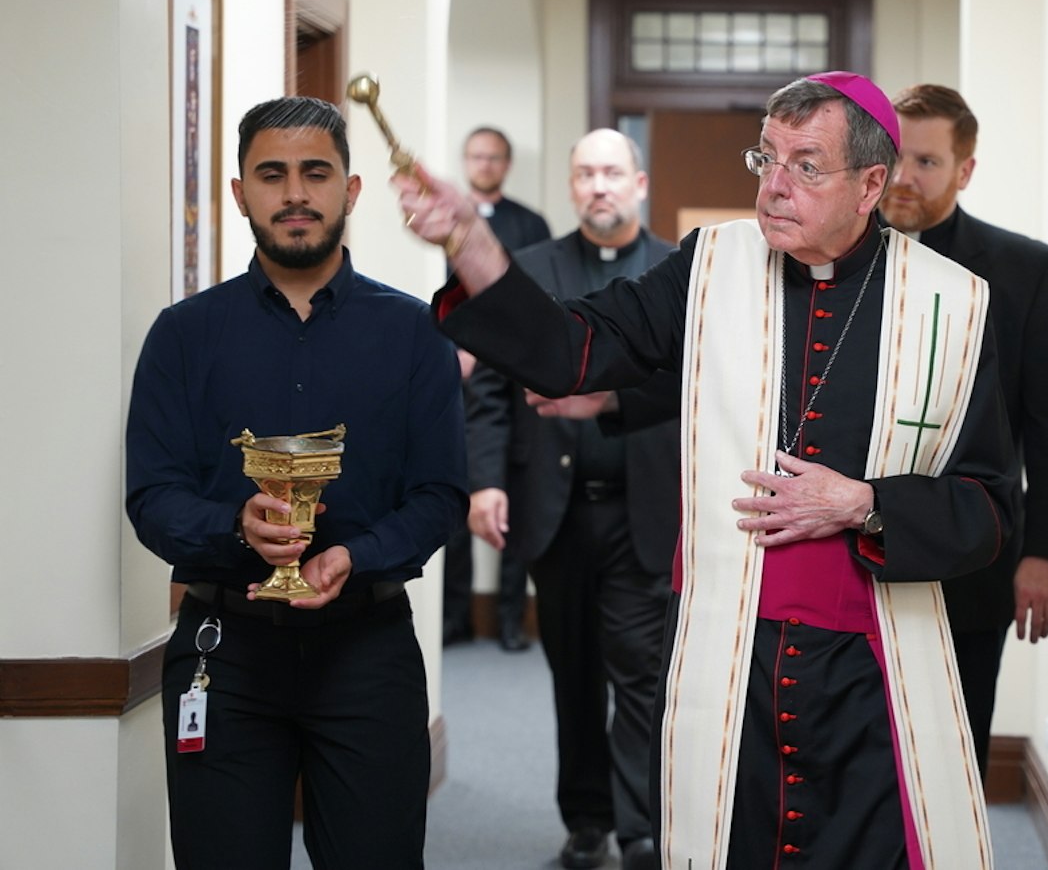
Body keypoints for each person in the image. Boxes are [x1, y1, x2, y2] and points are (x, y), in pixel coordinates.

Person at [396, 71, 1019, 869]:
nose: (775, 187)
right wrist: (471, 246)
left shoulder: (951, 305)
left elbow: (989, 508)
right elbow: (573, 348)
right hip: (734, 659)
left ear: (871, 184)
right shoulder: (712, 264)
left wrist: (865, 502)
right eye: (766, 160)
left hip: (875, 674)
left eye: (805, 165)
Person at [125, 96, 468, 870]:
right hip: (225, 652)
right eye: (272, 175)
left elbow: (441, 494)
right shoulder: (183, 336)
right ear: (240, 192)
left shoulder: (415, 332)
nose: (295, 194)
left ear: (350, 191)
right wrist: (233, 528)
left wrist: (359, 555)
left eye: (316, 173)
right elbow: (152, 496)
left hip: (367, 650)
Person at [465, 128, 679, 870]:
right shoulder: (528, 270)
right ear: (569, 185)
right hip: (552, 508)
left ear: (640, 183)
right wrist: (486, 479)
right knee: (574, 674)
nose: (599, 186)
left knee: (642, 673)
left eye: (612, 172)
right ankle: (587, 821)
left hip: (645, 508)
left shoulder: (676, 272)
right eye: (585, 172)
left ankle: (641, 824)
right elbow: (489, 387)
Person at [883, 83, 1048, 778]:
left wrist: (1045, 552)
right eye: (895, 156)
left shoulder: (1028, 273)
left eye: (926, 162)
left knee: (950, 762)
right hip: (849, 551)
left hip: (973, 558)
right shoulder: (830, 258)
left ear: (965, 170)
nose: (904, 176)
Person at [443, 125, 552, 650]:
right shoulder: (444, 218)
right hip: (454, 378)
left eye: (493, 157)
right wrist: (455, 350)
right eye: (476, 155)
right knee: (453, 496)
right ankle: (454, 617)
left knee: (511, 495)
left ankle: (511, 618)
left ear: (506, 165)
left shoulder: (530, 223)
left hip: (516, 377)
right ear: (466, 160)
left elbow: (538, 299)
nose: (484, 164)